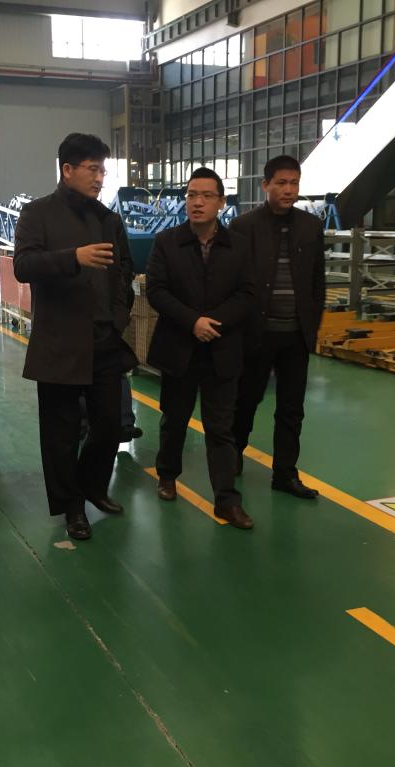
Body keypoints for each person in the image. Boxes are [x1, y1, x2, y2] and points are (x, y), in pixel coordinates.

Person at [13, 132, 137, 541]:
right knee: (61, 434)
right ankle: (72, 507)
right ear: (67, 170)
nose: (100, 178)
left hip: (104, 340)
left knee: (109, 426)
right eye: (92, 169)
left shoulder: (108, 219)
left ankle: (92, 486)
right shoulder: (38, 214)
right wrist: (73, 258)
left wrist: (118, 318)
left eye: (103, 170)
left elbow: (123, 272)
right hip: (60, 343)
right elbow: (24, 266)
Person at [146, 167, 255, 530]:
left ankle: (226, 501)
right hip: (179, 347)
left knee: (221, 429)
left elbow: (248, 293)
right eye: (191, 195)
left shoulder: (238, 245)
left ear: (221, 202)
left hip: (222, 350)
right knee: (174, 419)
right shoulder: (167, 242)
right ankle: (167, 475)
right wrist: (193, 321)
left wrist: (213, 323)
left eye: (206, 195)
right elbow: (156, 290)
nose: (197, 202)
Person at [231, 155, 326, 500]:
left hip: (295, 335)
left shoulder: (310, 227)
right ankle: (232, 454)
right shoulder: (244, 227)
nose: (289, 190)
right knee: (246, 399)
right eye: (281, 183)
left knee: (291, 408)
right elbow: (234, 281)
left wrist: (312, 324)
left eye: (294, 183)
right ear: (265, 185)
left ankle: (285, 473)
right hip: (257, 334)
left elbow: (318, 281)